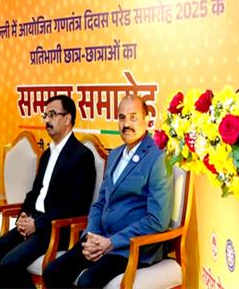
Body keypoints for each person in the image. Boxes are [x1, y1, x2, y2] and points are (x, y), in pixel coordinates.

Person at [43, 95, 173, 288]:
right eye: (122, 117)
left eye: (133, 117)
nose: (126, 124)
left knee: (88, 282)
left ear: (147, 120)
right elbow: (100, 203)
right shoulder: (115, 155)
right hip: (100, 238)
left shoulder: (158, 158)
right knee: (53, 272)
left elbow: (157, 220)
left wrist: (111, 242)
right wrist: (91, 235)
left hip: (131, 247)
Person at [0, 95, 96, 289]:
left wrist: (37, 224)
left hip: (55, 229)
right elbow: (34, 193)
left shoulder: (82, 156)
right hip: (33, 222)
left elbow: (75, 206)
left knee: (9, 264)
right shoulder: (48, 154)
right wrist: (23, 216)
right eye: (45, 115)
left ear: (68, 119)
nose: (47, 120)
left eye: (52, 114)